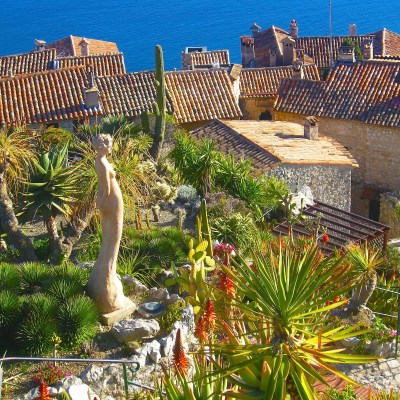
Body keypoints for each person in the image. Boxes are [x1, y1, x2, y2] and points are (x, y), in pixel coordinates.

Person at [87, 134, 127, 313]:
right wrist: (101, 203)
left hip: (111, 203)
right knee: (112, 240)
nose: (111, 146)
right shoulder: (102, 163)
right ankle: (106, 289)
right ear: (102, 146)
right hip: (111, 204)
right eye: (109, 143)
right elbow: (106, 188)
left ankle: (102, 283)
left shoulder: (100, 159)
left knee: (110, 240)